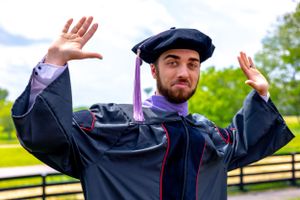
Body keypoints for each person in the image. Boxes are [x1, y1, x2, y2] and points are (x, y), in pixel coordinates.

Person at [12, 16, 294, 200]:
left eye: (192, 64)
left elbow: (245, 140)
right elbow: (47, 136)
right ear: (153, 71)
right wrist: (53, 64)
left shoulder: (209, 137)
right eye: (172, 62)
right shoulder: (109, 128)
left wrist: (262, 96)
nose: (184, 72)